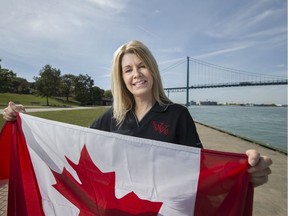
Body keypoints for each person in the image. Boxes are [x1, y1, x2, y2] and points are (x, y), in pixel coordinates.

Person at [2, 40, 272, 187]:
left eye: (141, 66)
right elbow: (69, 145)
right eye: (128, 69)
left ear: (152, 70)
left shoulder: (178, 114)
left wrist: (244, 173)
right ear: (121, 78)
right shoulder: (112, 117)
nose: (136, 74)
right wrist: (27, 121)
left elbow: (201, 171)